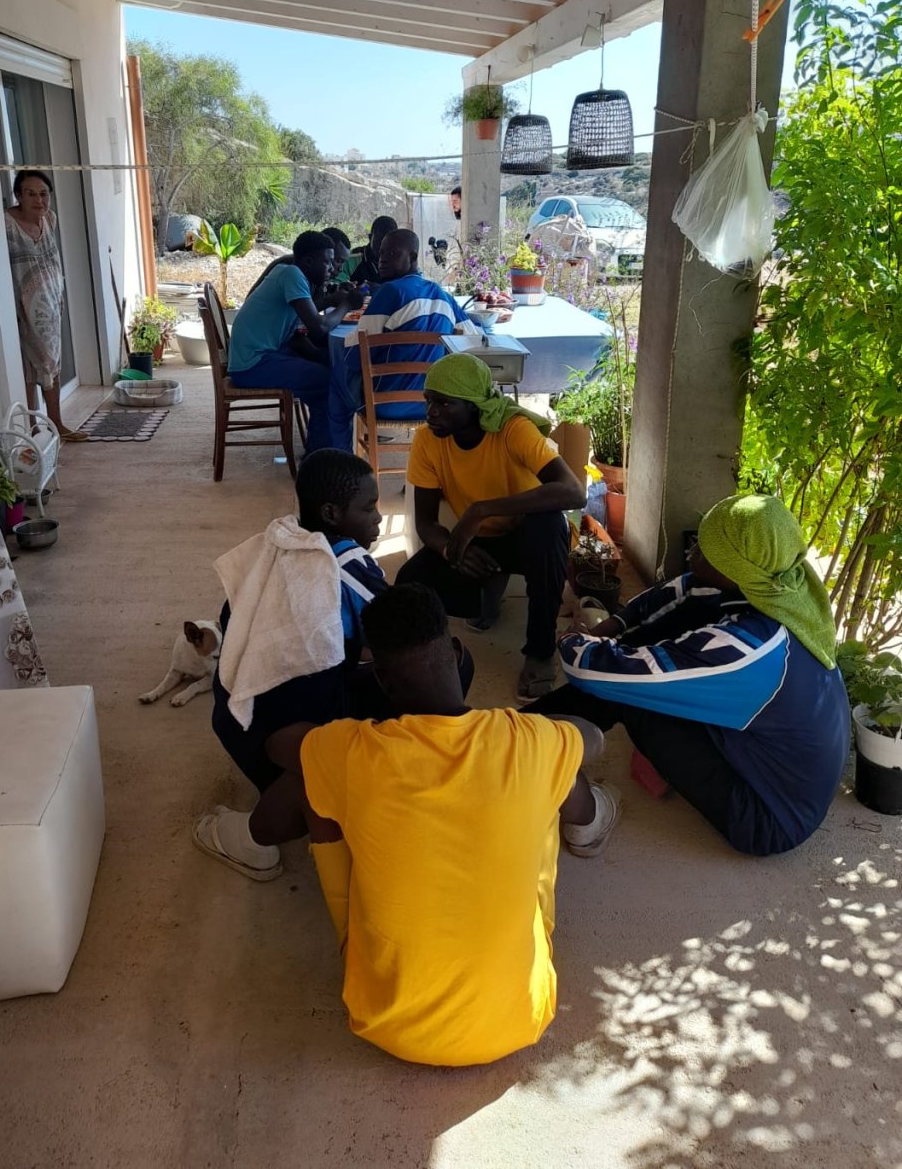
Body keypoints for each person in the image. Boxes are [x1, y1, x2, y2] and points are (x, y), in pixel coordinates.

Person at [296, 584, 619, 1067]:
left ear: (381, 679)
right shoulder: (530, 739)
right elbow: (592, 738)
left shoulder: (345, 749)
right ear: (456, 650)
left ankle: (351, 940)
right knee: (552, 774)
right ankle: (593, 823)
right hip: (520, 1018)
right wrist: (548, 731)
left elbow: (292, 749)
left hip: (384, 1020)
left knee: (316, 787)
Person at [194, 451, 475, 881]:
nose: (378, 518)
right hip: (293, 747)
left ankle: (281, 808)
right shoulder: (345, 567)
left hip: (240, 724)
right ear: (331, 514)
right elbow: (408, 638)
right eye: (368, 508)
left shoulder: (277, 543)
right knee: (452, 666)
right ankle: (393, 788)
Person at [528, 493, 850, 857]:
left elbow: (589, 670)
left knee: (630, 694)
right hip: (773, 758)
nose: (693, 548)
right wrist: (615, 624)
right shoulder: (775, 584)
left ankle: (580, 810)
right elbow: (679, 592)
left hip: (768, 817)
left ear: (731, 569)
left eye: (705, 548)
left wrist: (574, 639)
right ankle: (523, 735)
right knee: (656, 637)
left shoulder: (749, 648)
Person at [396, 354, 585, 697]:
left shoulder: (513, 429)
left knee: (550, 526)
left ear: (474, 405)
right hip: (478, 541)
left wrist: (480, 510)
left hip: (526, 536)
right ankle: (485, 590)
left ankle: (541, 651)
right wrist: (449, 550)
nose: (431, 412)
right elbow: (426, 522)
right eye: (428, 401)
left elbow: (573, 491)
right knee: (410, 581)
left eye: (444, 403)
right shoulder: (427, 440)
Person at [330, 227, 478, 444]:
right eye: (381, 253)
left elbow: (355, 356)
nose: (383, 260)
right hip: (433, 404)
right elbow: (473, 340)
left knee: (335, 379)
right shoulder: (442, 295)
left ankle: (338, 457)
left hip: (383, 403)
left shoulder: (389, 292)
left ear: (413, 257)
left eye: (392, 254)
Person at [228, 230, 363, 452]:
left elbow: (303, 312)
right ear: (308, 261)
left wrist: (331, 300)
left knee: (330, 365)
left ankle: (326, 451)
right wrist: (347, 304)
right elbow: (319, 327)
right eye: (328, 262)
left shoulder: (289, 272)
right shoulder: (291, 274)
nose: (332, 268)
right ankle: (321, 457)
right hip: (253, 363)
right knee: (327, 383)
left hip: (262, 354)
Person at [3, 169, 87, 442]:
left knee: (52, 361)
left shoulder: (50, 219)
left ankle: (56, 423)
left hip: (50, 303)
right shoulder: (6, 224)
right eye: (31, 194)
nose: (39, 200)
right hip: (22, 307)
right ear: (19, 196)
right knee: (29, 367)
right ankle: (32, 428)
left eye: (43, 194)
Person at [336, 215, 397, 286]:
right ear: (370, 238)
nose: (383, 248)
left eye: (390, 244)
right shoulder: (351, 259)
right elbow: (336, 286)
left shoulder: (398, 261)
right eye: (379, 242)